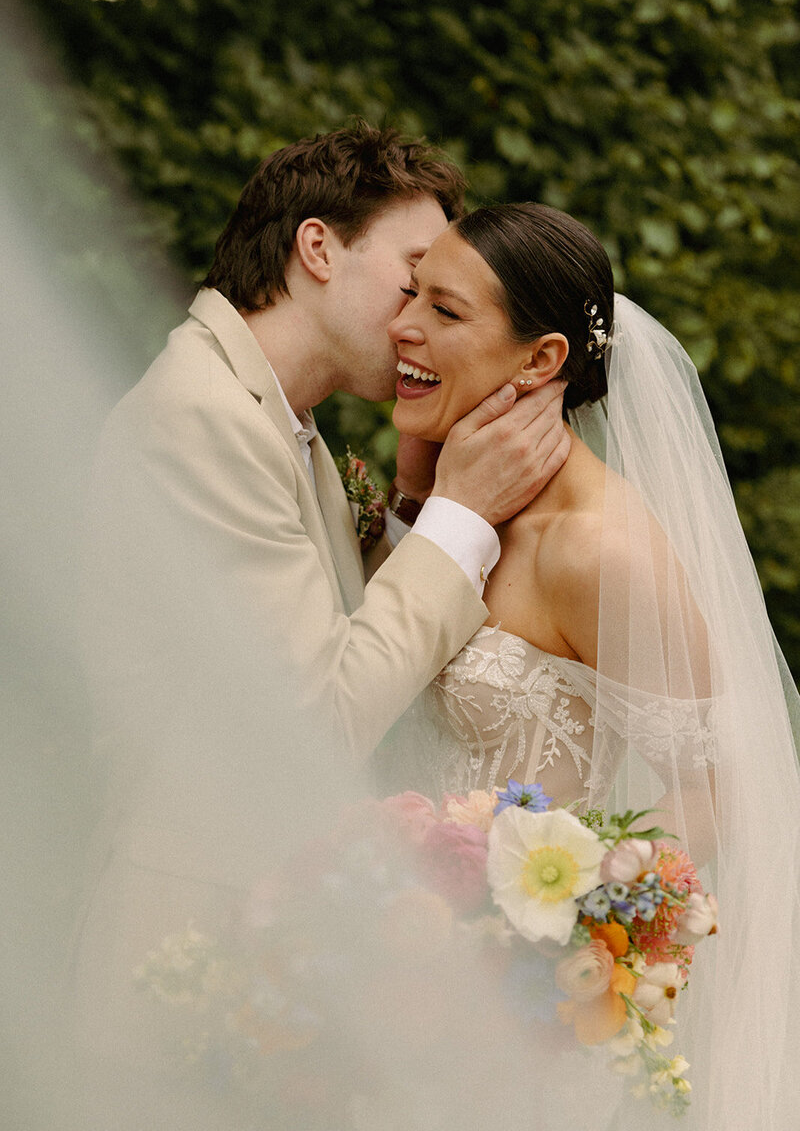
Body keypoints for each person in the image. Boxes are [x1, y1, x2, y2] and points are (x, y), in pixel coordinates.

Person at [71, 128, 570, 1127]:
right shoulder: (202, 418)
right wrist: (466, 519)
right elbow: (318, 714)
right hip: (186, 968)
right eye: (413, 282)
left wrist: (420, 507)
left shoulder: (278, 422)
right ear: (316, 249)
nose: (420, 321)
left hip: (272, 980)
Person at [381, 201, 800, 1130]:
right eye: (412, 296)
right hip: (394, 973)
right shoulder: (458, 496)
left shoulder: (600, 550)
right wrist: (416, 494)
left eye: (446, 313)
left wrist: (555, 935)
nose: (403, 325)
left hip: (514, 1019)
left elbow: (719, 784)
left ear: (541, 361)